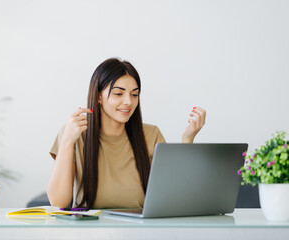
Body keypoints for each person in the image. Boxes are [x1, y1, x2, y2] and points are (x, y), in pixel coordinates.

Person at [47, 58, 206, 209]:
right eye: (118, 94)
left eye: (134, 94)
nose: (129, 102)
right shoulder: (75, 133)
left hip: (140, 232)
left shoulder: (151, 135)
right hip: (90, 231)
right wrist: (67, 141)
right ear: (98, 96)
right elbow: (58, 201)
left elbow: (174, 195)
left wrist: (188, 139)